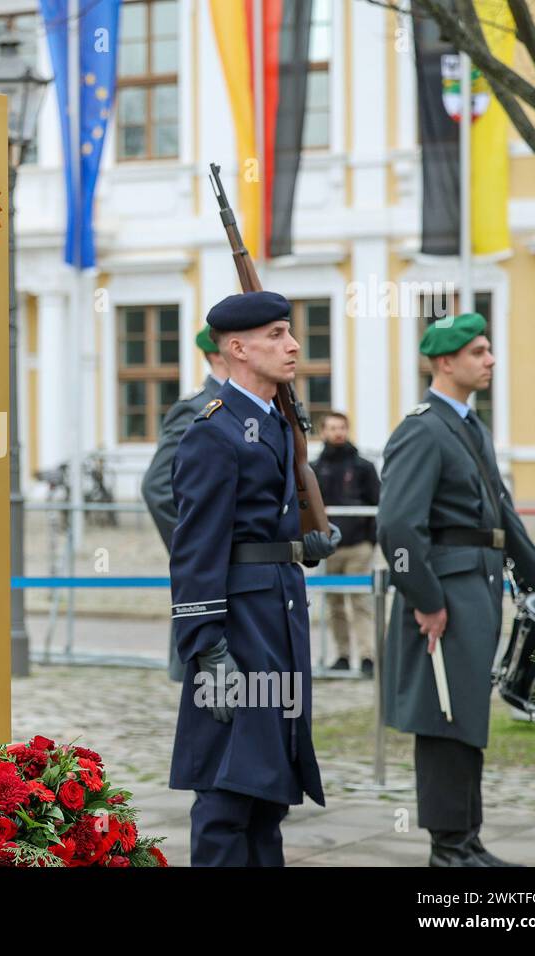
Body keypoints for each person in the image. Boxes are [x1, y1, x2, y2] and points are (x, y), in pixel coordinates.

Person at [168, 290, 338, 867]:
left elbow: (259, 523)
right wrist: (205, 646)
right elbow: (195, 552)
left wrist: (301, 543)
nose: (292, 345)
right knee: (226, 794)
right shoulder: (212, 433)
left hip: (279, 618)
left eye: (288, 332)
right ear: (237, 349)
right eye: (274, 335)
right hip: (237, 631)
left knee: (269, 793)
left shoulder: (275, 424)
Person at [377, 312, 535, 868]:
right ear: (445, 362)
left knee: (466, 715)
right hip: (444, 596)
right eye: (478, 351)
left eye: (489, 349)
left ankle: (467, 841)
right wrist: (426, 599)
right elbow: (398, 528)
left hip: (476, 586)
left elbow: (503, 517)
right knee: (444, 718)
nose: (490, 360)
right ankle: (448, 850)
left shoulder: (469, 426)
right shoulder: (422, 428)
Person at [143, 326, 228, 681]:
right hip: (212, 573)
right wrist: (195, 546)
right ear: (222, 353)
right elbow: (158, 487)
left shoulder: (265, 407)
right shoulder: (195, 409)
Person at [312, 411, 381, 676]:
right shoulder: (316, 468)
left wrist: (371, 539)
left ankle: (367, 657)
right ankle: (342, 654)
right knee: (334, 605)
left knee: (360, 602)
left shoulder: (363, 466)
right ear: (323, 432)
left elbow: (377, 501)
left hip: (358, 546)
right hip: (328, 547)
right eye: (332, 428)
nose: (338, 432)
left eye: (342, 427)